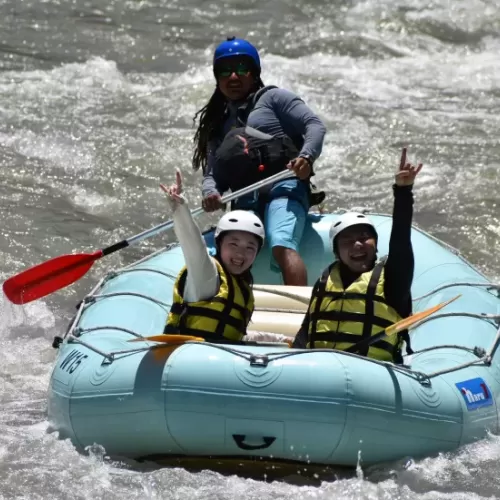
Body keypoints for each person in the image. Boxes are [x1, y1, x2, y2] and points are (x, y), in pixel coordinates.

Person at [192, 36, 327, 286]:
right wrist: (211, 193)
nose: (233, 76)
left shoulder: (274, 99)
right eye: (225, 71)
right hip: (245, 199)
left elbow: (314, 125)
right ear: (217, 77)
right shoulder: (217, 123)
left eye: (242, 68)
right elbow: (213, 173)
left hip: (284, 188)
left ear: (254, 73)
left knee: (280, 241)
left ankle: (298, 316)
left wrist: (306, 157)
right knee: (229, 251)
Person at [292, 148, 423, 363]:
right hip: (318, 373)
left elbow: (401, 239)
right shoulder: (326, 281)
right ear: (336, 252)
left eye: (364, 237)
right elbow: (307, 330)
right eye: (347, 241)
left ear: (375, 244)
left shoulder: (393, 280)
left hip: (370, 374)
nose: (358, 245)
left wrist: (403, 191)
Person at [161, 168, 290, 344]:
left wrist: (284, 340)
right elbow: (193, 244)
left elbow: (236, 337)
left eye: (250, 247)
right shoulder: (207, 274)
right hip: (189, 358)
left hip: (223, 362)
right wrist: (179, 207)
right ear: (219, 244)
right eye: (233, 244)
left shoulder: (242, 289)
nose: (240, 253)